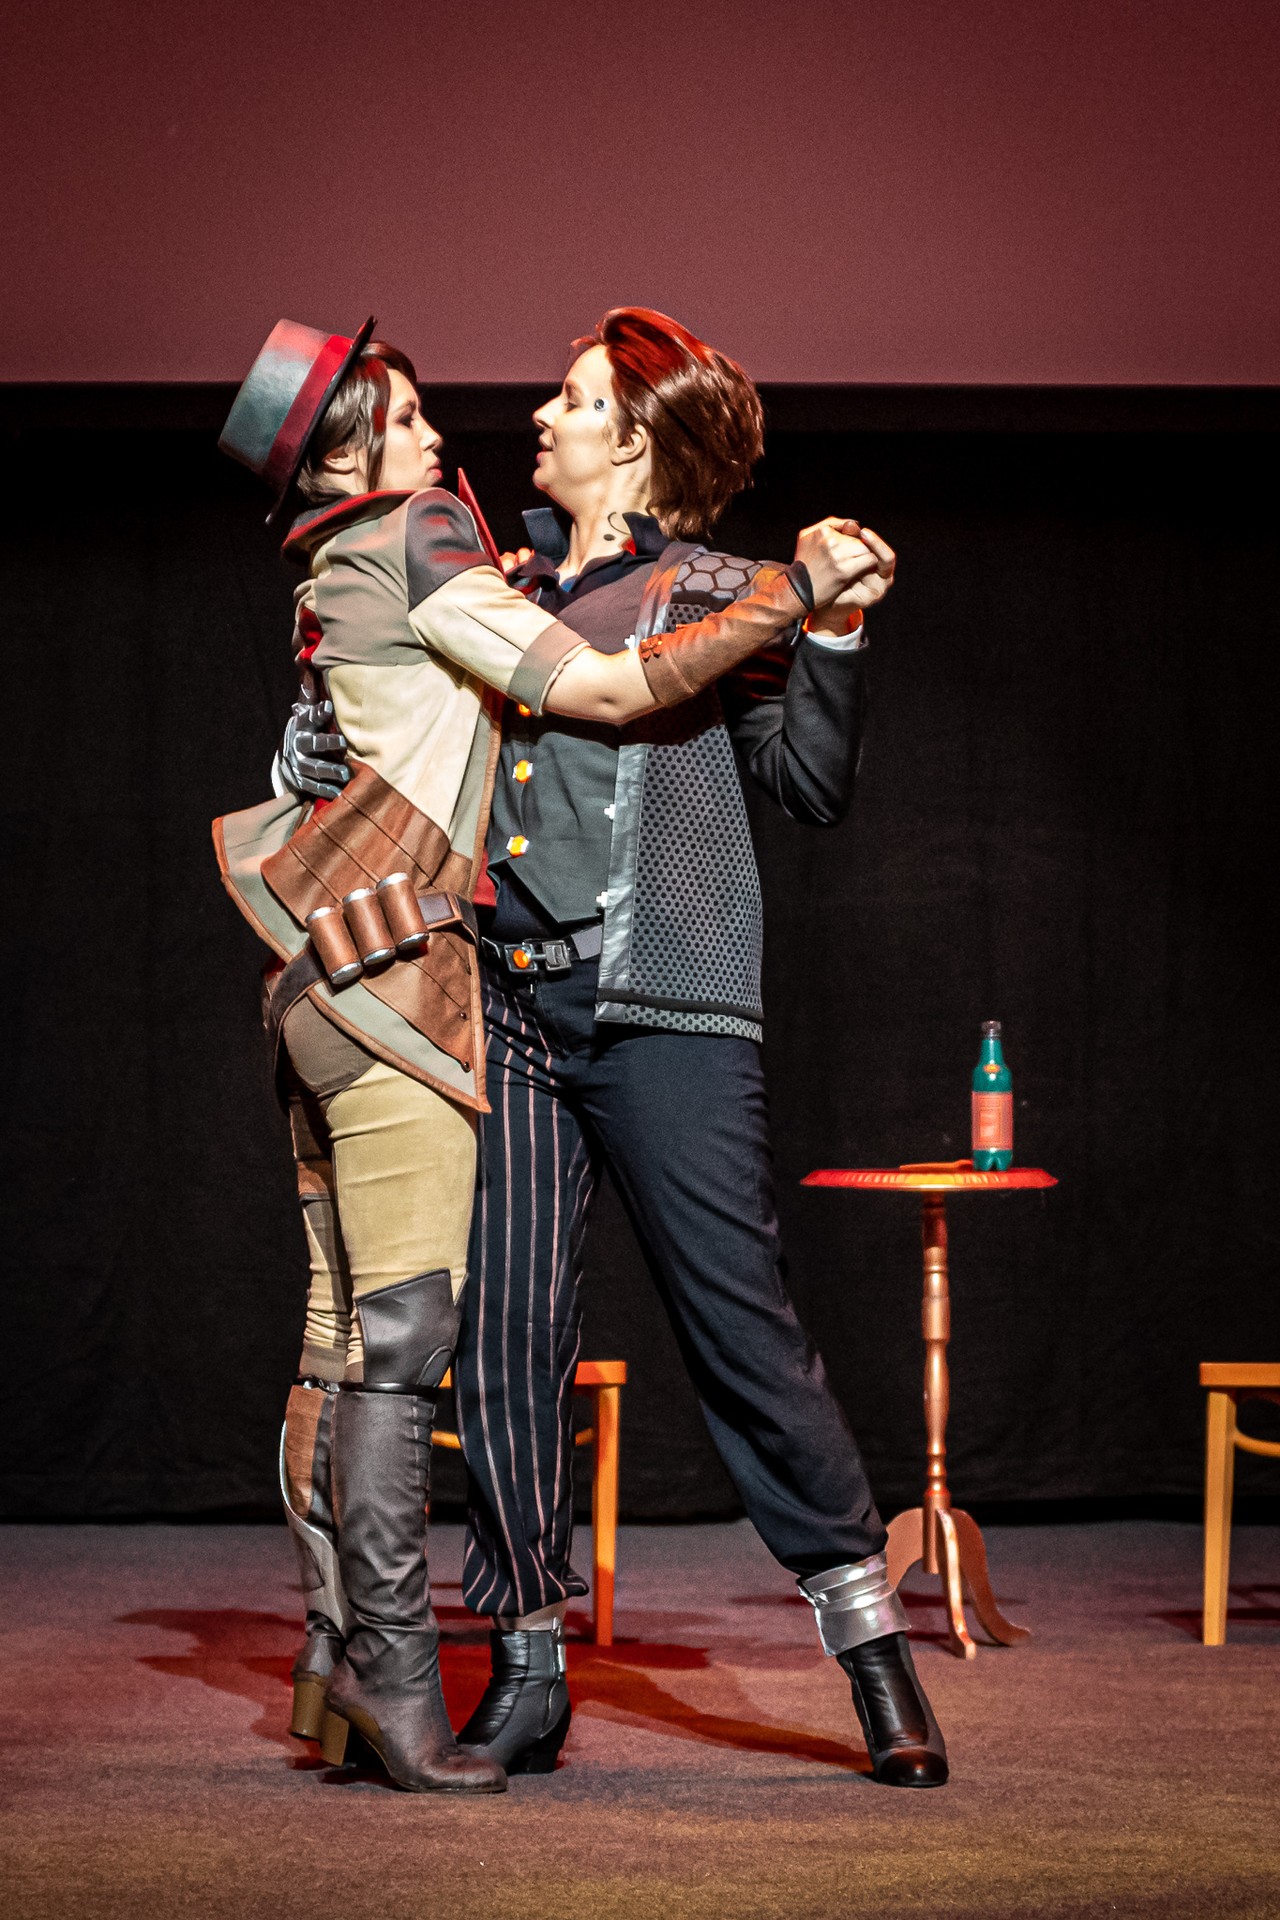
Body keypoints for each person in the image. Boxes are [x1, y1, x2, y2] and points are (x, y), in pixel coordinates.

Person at [216, 315, 876, 1794]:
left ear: (632, 439)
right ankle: (477, 1668)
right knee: (465, 1346)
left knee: (704, 1327)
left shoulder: (696, 585)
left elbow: (802, 778)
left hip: (602, 996)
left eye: (571, 398)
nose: (516, 420)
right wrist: (310, 744)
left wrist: (819, 626)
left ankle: (863, 1642)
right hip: (461, 999)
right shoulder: (470, 565)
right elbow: (549, 691)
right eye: (405, 419)